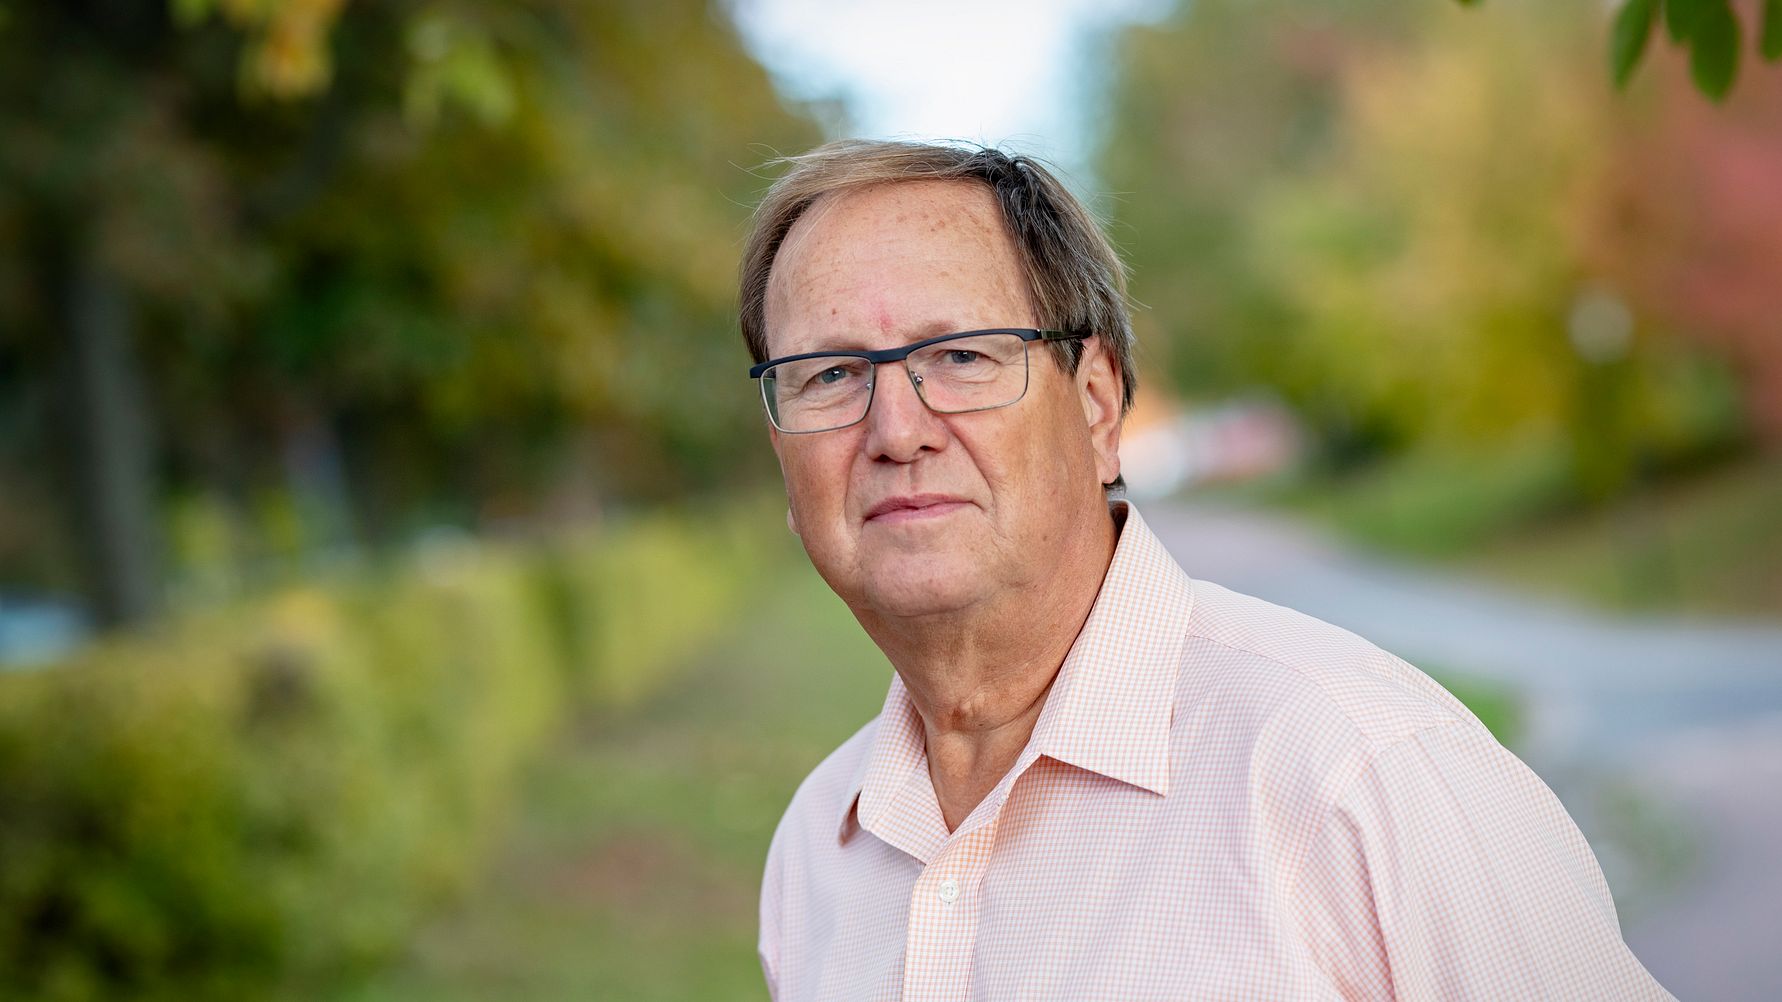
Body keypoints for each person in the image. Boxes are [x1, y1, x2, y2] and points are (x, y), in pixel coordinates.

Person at [740, 138, 1671, 1001]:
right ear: (785, 457)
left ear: (1097, 404)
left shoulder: (1358, 769)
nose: (897, 431)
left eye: (961, 356)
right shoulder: (814, 851)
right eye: (829, 375)